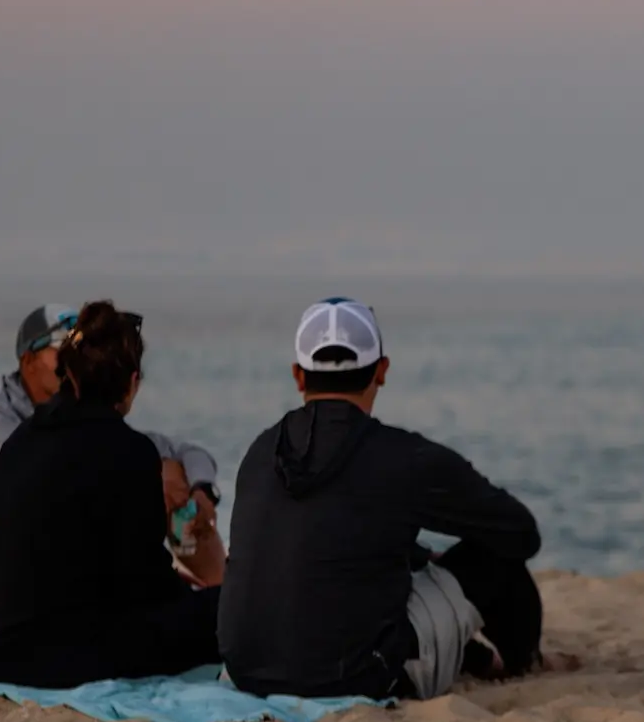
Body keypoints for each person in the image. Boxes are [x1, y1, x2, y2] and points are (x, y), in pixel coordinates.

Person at [218, 297, 545, 700]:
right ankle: (522, 665)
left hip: (246, 673)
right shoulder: (405, 458)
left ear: (299, 376)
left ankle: (473, 656)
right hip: (358, 680)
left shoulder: (260, 452)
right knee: (496, 559)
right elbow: (521, 533)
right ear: (382, 370)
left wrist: (411, 552)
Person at [0, 302, 224, 687]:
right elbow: (144, 587)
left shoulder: (21, 438)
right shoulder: (128, 451)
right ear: (132, 382)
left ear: (69, 373)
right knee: (221, 611)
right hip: (47, 656)